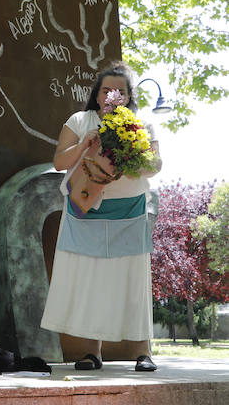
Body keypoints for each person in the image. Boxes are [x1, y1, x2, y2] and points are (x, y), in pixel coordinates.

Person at [41, 63, 162, 372]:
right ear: (96, 96)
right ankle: (92, 353)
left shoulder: (142, 124)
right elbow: (59, 162)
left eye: (120, 91)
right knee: (90, 281)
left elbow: (155, 166)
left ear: (129, 96)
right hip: (85, 211)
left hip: (129, 211)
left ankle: (143, 352)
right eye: (106, 90)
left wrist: (130, 153)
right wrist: (85, 145)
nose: (113, 96)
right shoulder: (80, 121)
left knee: (133, 281)